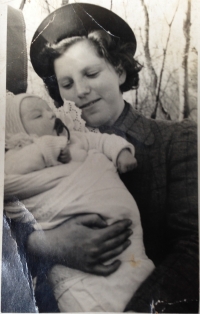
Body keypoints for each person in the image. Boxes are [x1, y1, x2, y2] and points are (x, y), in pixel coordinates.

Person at [10, 3, 198, 313]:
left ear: (120, 71)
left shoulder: (178, 141)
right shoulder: (42, 151)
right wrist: (46, 244)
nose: (81, 91)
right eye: (67, 84)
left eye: (92, 73)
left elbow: (194, 248)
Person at [4, 92, 155, 312]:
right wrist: (48, 147)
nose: (50, 115)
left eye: (49, 109)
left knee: (135, 284)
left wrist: (121, 152)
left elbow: (100, 140)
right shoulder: (17, 156)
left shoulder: (74, 137)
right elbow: (9, 176)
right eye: (38, 115)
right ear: (16, 131)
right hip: (73, 261)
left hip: (125, 246)